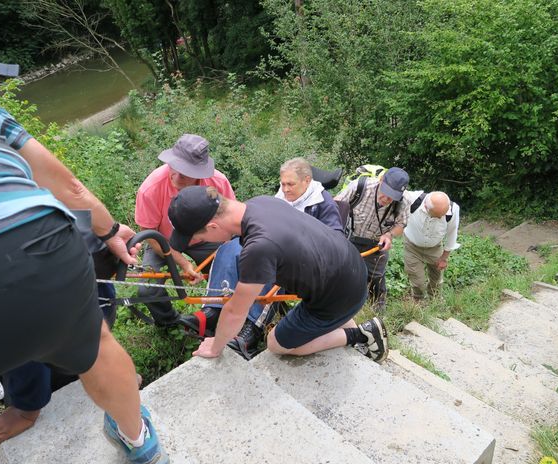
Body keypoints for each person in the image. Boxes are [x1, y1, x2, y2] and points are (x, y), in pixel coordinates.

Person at [0, 106, 170, 464]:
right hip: (37, 241)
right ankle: (143, 446)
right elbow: (69, 186)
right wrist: (109, 231)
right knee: (98, 347)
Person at [167, 186, 389, 362]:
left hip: (338, 296)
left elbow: (235, 311)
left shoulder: (259, 247)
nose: (204, 242)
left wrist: (215, 347)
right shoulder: (261, 202)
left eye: (201, 238)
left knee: (276, 344)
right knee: (323, 315)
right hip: (351, 268)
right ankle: (346, 323)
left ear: (213, 227)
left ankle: (360, 336)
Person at [182, 157, 344, 359]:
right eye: (282, 184)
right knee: (228, 248)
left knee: (266, 261)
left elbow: (335, 238)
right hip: (269, 241)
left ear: (307, 181)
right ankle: (213, 310)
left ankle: (251, 325)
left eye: (290, 184)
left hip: (299, 258)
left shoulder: (322, 202)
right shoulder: (279, 198)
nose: (285, 189)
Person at [134, 134, 235, 326]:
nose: (176, 176)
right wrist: (182, 262)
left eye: (185, 171)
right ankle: (172, 324)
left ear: (200, 173)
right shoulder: (151, 188)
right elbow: (149, 234)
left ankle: (226, 317)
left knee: (230, 273)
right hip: (163, 240)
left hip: (206, 238)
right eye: (174, 166)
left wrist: (228, 251)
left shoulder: (217, 183)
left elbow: (231, 218)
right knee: (147, 289)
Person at [335, 167, 410, 311]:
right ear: (381, 181)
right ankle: (342, 309)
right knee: (342, 274)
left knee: (376, 277)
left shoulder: (403, 201)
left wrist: (390, 235)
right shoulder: (360, 187)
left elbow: (401, 224)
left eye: (392, 196)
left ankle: (377, 311)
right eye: (386, 193)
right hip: (349, 238)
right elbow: (335, 207)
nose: (387, 199)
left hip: (377, 245)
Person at [402, 190, 460, 300]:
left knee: (437, 278)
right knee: (417, 282)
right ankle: (418, 300)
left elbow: (452, 234)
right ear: (426, 207)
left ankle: (435, 300)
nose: (440, 218)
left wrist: (444, 258)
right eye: (437, 216)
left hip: (435, 247)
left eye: (442, 215)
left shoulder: (453, 209)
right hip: (412, 247)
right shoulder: (412, 199)